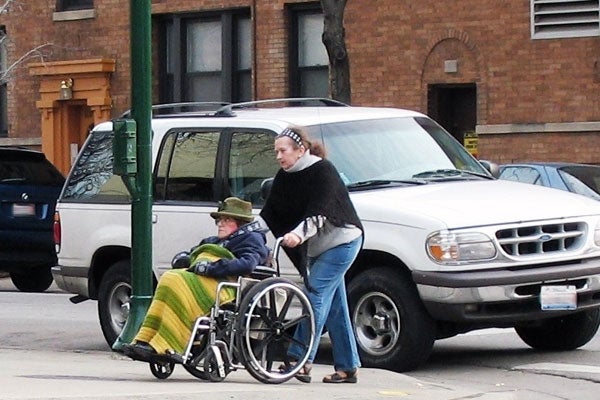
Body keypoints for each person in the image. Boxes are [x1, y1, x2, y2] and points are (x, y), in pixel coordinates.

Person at [258, 126, 363, 384]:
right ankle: (348, 367)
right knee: (335, 306)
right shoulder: (284, 177)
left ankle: (299, 360)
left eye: (283, 151)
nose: (279, 157)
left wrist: (297, 235)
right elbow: (270, 214)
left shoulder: (322, 170)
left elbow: (320, 211)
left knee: (314, 295)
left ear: (300, 150)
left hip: (342, 241)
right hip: (318, 248)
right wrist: (251, 236)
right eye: (276, 152)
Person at [123, 197, 269, 361]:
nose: (220, 224)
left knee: (175, 281)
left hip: (227, 287)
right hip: (206, 281)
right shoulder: (213, 241)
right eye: (219, 220)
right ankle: (146, 338)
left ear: (240, 223)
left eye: (226, 220)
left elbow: (247, 264)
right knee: (169, 278)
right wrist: (184, 259)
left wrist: (210, 268)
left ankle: (167, 343)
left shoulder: (252, 239)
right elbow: (191, 254)